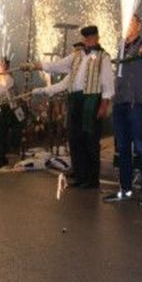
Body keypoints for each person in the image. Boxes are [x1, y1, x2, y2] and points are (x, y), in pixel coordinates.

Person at [22, 25, 114, 189]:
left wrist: (104, 104)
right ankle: (79, 176)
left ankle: (92, 179)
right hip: (75, 99)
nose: (88, 41)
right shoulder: (76, 56)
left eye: (91, 38)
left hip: (91, 99)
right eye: (86, 38)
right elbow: (56, 65)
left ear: (97, 38)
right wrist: (36, 65)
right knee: (75, 138)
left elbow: (108, 83)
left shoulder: (104, 57)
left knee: (90, 141)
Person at [103, 15, 142, 206]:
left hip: (136, 104)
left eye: (131, 22)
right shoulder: (120, 47)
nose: (127, 26)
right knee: (123, 148)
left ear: (138, 26)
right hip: (120, 104)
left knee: (141, 147)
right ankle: (125, 189)